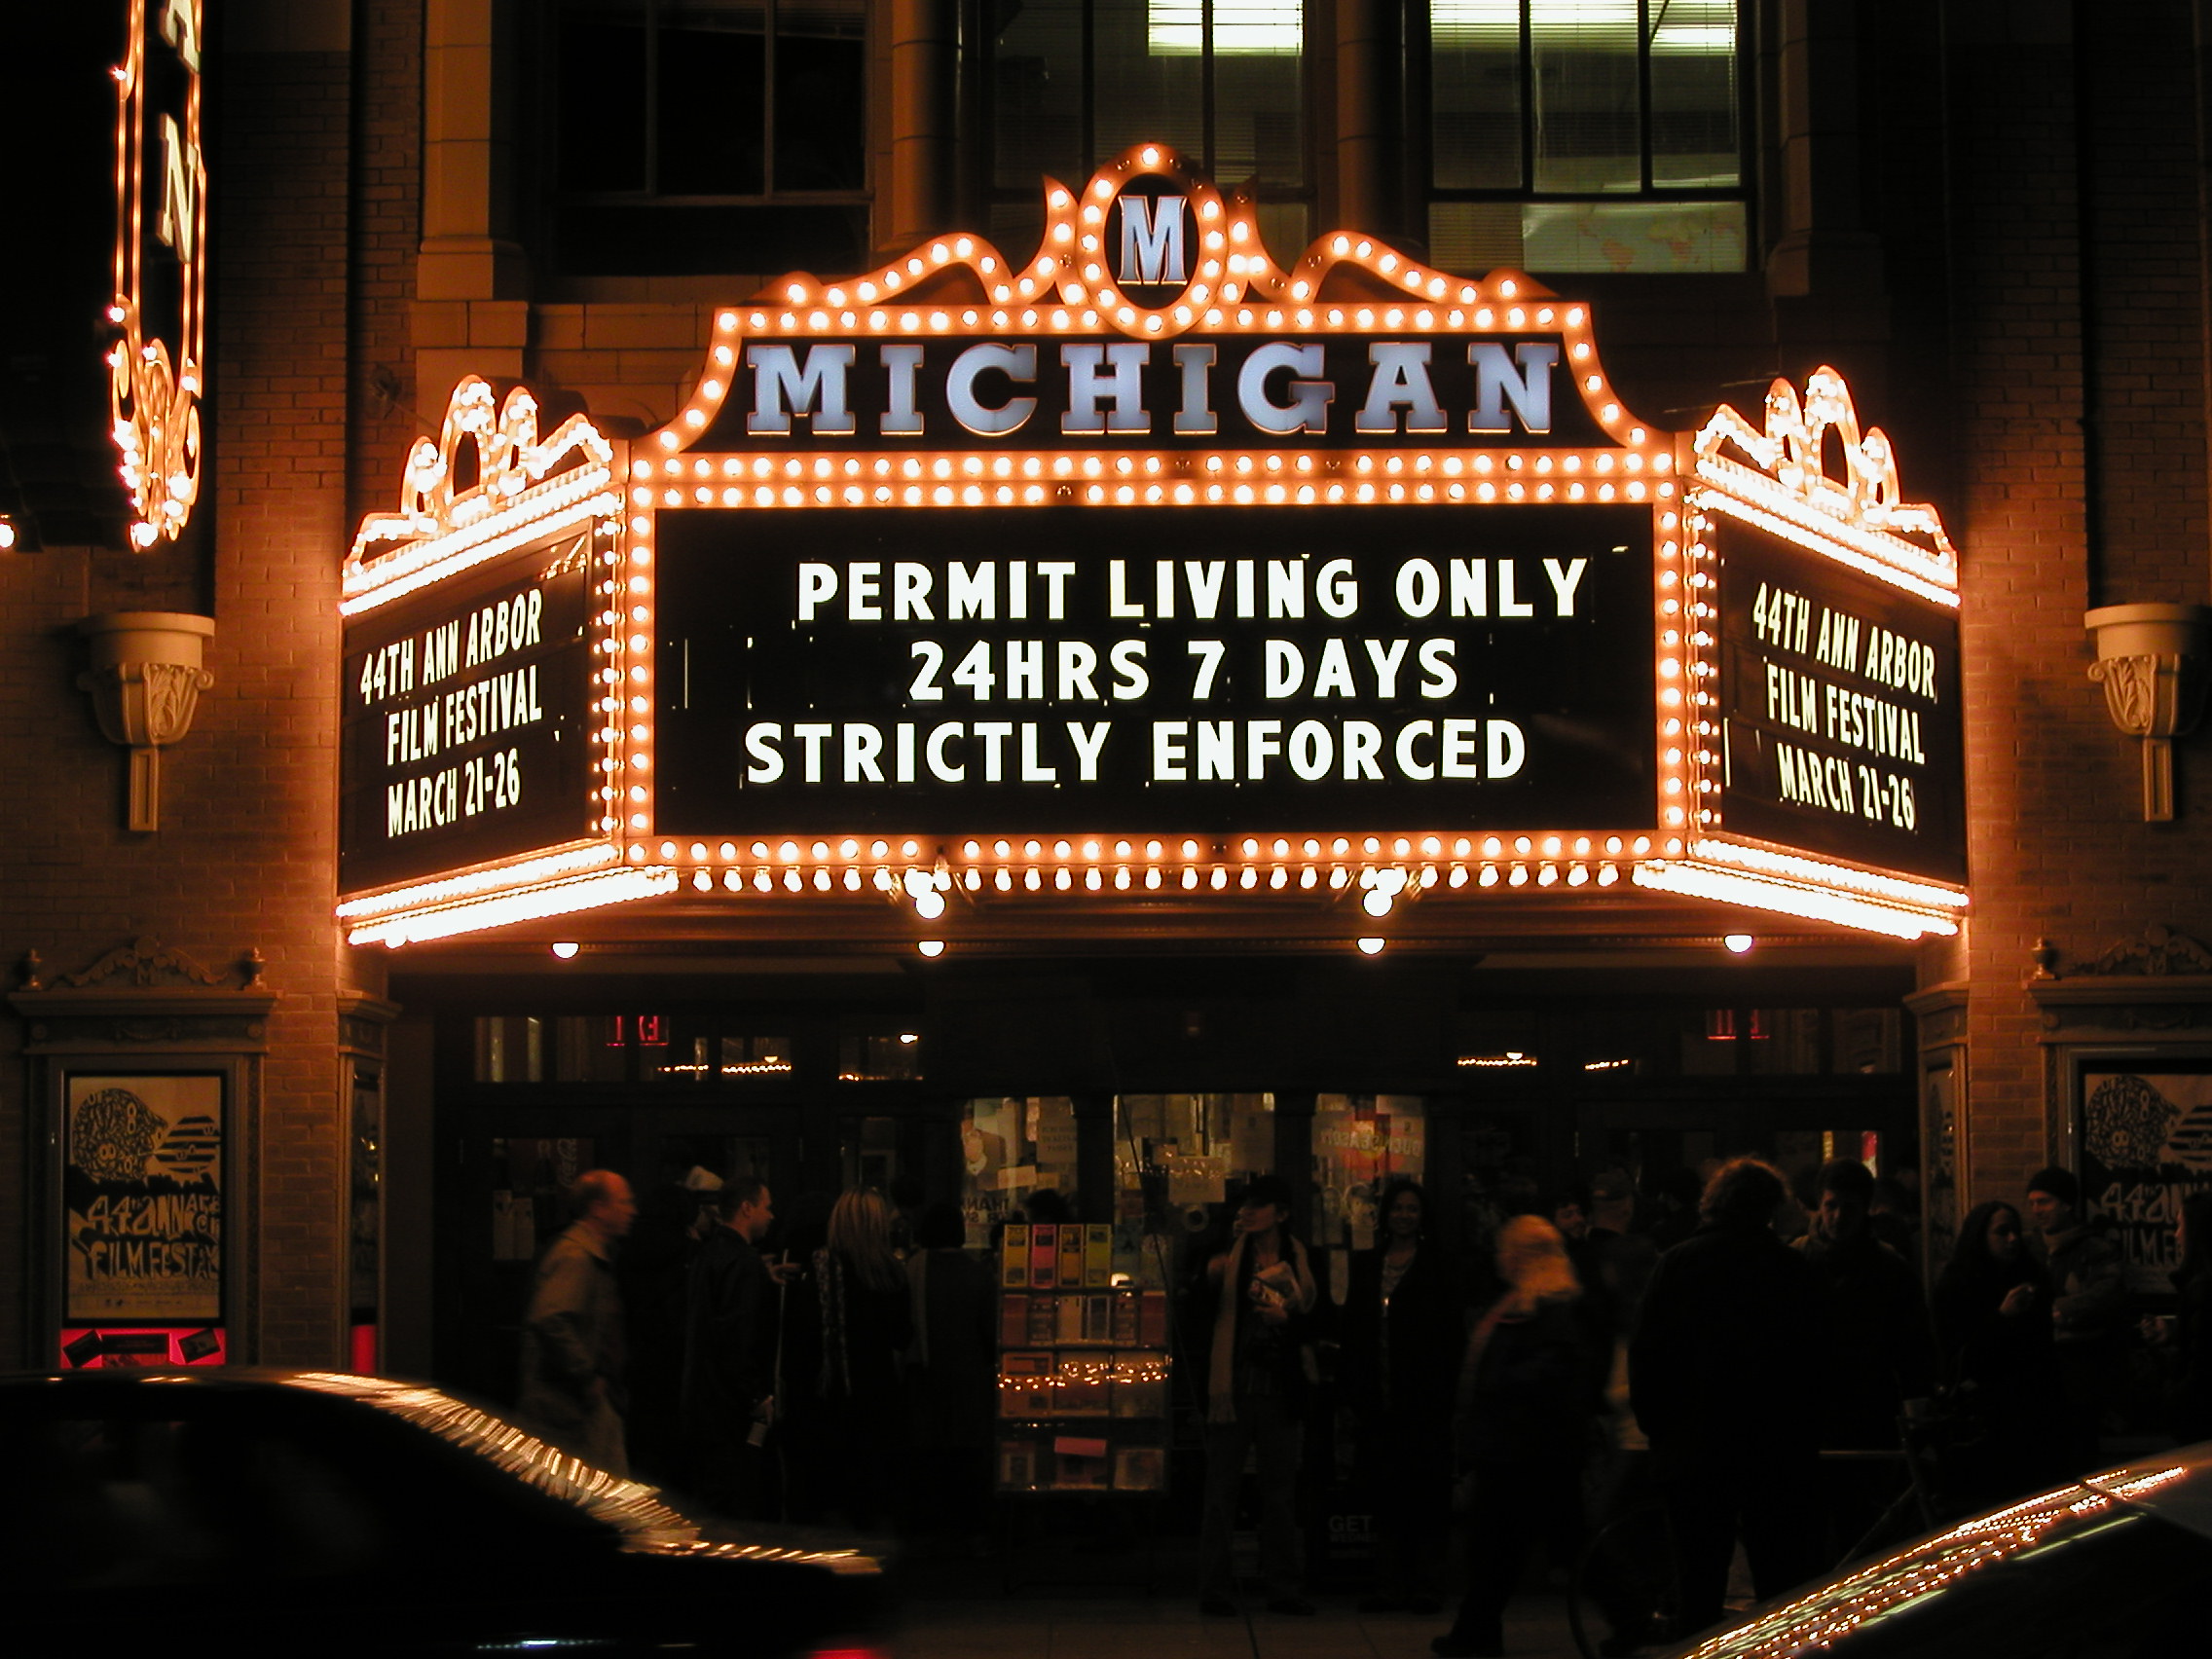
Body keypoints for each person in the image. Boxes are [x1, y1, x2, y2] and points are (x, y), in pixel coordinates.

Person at [1629, 1157, 1827, 1639]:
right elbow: (1813, 1358)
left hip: (1693, 1449)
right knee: (1779, 1584)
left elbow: (1648, 1356)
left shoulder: (1677, 1264)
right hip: (1772, 1449)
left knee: (1700, 1582)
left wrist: (1662, 1432)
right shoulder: (1788, 1267)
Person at [1432, 1216, 1596, 1659]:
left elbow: (1548, 1371)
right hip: (1527, 1449)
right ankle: (1475, 1630)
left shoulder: (1544, 1305)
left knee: (1507, 1546)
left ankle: (1476, 1631)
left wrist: (1497, 1385)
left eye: (1507, 1249)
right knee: (1507, 1547)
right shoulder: (1537, 1301)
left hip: (1526, 1450)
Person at [1192, 1173, 1320, 1617]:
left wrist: (1287, 1320)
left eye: (1257, 1206)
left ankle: (1283, 1587)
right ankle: (1215, 1588)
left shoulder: (1299, 1255)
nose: (1246, 1212)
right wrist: (1212, 1273)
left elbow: (1315, 1320)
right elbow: (1199, 1309)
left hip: (1279, 1388)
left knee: (1280, 1494)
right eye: (1244, 1205)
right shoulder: (1227, 1250)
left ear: (1281, 1214)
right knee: (1220, 1492)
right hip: (1233, 1386)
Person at [1792, 1159, 1936, 1556]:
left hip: (1865, 1408)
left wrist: (1915, 1401)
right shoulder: (1796, 1262)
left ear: (1866, 1210)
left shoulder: (1888, 1268)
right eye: (1831, 1206)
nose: (1837, 1217)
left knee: (1861, 1520)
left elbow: (1911, 1344)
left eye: (1848, 1208)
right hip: (1812, 1409)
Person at [1337, 1178, 1466, 1614]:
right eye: (1398, 1209)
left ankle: (1428, 1582)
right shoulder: (1368, 1264)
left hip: (1424, 1397)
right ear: (1386, 1215)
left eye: (1412, 1209)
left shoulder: (1440, 1265)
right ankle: (1389, 1583)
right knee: (1387, 1493)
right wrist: (1355, 1390)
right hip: (1380, 1397)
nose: (1405, 1216)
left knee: (1427, 1492)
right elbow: (1355, 1329)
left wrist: (1447, 1392)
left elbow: (1450, 1334)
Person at [1932, 1198, 2064, 1504]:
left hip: (2033, 1423)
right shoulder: (1957, 1286)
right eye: (2002, 1232)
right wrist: (2002, 1317)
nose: (2012, 1239)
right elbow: (1960, 1357)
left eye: (2015, 1231)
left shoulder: (2032, 1278)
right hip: (1982, 1426)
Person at [679, 1175, 794, 1517]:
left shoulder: (709, 1254)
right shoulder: (742, 1263)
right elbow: (738, 1337)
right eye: (766, 1206)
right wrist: (756, 1396)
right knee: (738, 1497)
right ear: (746, 1208)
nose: (771, 1216)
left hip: (704, 1400)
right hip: (729, 1407)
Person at [805, 1190, 914, 1530]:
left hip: (831, 1389)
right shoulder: (890, 1272)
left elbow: (802, 1334)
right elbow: (902, 1336)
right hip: (878, 1387)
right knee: (874, 1483)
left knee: (836, 1485)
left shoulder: (820, 1267)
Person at [517, 1168, 638, 1475]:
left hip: (576, 1402)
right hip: (570, 1406)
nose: (631, 1211)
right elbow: (551, 1318)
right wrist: (588, 1377)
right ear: (598, 1208)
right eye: (623, 1202)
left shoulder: (588, 1253)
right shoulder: (577, 1256)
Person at [902, 1200, 998, 1549]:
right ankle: (972, 1527)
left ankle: (934, 1527)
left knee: (932, 1454)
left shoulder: (913, 1269)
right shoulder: (977, 1274)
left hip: (925, 1378)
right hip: (970, 1378)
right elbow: (991, 1333)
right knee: (969, 1454)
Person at [2025, 1164, 2127, 1474]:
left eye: (2045, 1202)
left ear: (2067, 1204)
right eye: (2032, 1203)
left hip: (2080, 1367)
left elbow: (2107, 1294)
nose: (2037, 1210)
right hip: (2038, 1366)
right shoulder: (2029, 1248)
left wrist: (2060, 1310)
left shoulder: (2094, 1249)